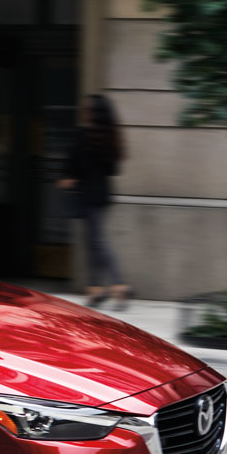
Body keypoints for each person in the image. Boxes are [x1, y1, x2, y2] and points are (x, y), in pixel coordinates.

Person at [57, 93, 130, 309]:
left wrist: (70, 178)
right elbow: (112, 169)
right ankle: (96, 289)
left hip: (86, 194)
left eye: (86, 108)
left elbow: (72, 164)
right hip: (102, 193)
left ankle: (117, 284)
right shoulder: (110, 136)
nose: (82, 110)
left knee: (96, 242)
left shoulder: (82, 135)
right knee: (93, 242)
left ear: (91, 112)